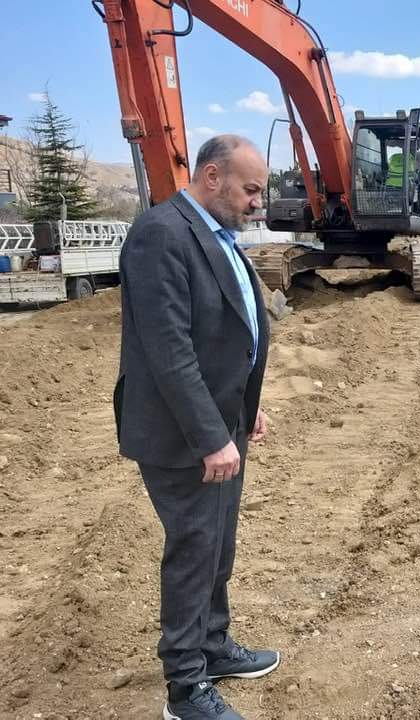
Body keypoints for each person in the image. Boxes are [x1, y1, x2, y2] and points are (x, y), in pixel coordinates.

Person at [114, 135, 277, 720]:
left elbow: (227, 331)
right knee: (194, 549)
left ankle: (213, 645)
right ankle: (185, 689)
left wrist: (243, 403)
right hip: (183, 434)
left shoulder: (218, 236)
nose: (258, 201)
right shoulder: (162, 235)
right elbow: (169, 351)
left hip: (220, 418)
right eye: (250, 189)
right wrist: (211, 435)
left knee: (218, 543)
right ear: (212, 176)